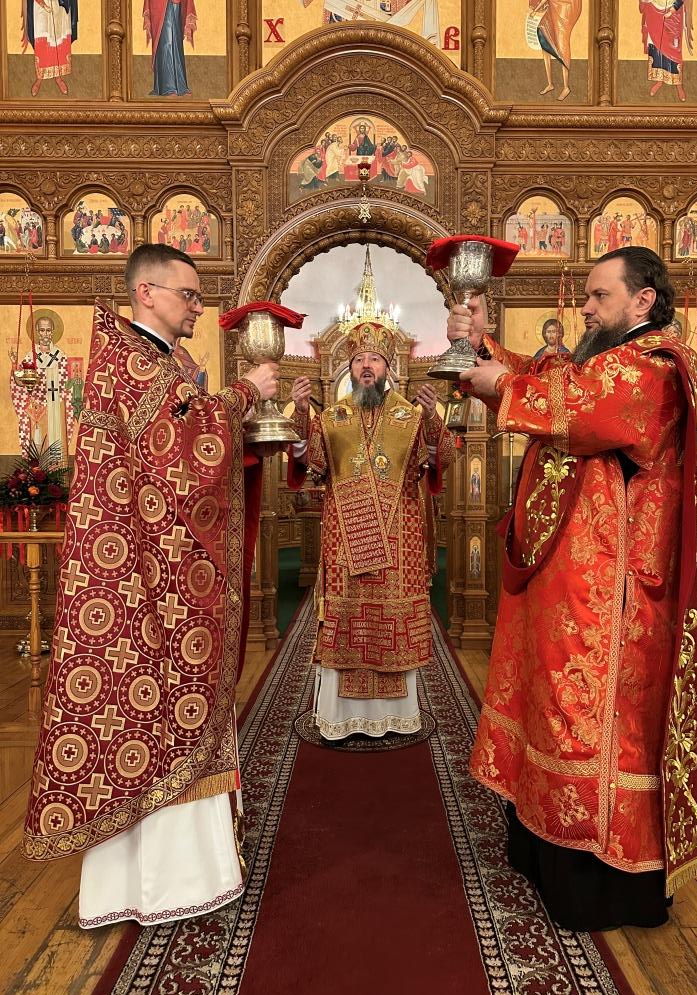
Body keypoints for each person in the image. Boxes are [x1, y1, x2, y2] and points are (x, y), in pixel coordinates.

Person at [24, 243, 281, 929]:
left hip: (153, 564)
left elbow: (183, 447)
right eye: (188, 295)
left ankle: (163, 879)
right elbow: (187, 449)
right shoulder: (136, 360)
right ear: (146, 292)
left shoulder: (153, 360)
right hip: (148, 578)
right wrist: (248, 392)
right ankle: (169, 884)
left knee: (152, 712)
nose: (197, 308)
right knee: (155, 710)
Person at [451, 246, 697, 930]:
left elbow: (586, 410)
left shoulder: (653, 367)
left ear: (643, 299)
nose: (586, 309)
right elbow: (554, 377)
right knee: (550, 701)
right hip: (569, 578)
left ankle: (598, 878)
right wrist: (483, 345)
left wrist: (501, 386)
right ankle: (540, 845)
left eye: (599, 296)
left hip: (613, 590)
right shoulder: (607, 358)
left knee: (589, 719)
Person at [288, 321, 455, 742]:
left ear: (388, 368)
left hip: (400, 543)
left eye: (375, 359)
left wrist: (432, 419)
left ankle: (396, 716)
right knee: (346, 616)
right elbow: (309, 463)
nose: (367, 366)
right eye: (359, 359)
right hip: (345, 540)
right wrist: (302, 412)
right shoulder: (332, 417)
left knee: (391, 620)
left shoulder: (409, 416)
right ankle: (340, 718)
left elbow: (441, 461)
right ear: (349, 367)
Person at [10, 312, 74, 455]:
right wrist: (14, 364)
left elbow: (66, 385)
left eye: (48, 330)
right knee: (37, 441)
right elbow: (20, 383)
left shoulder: (60, 356)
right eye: (42, 330)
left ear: (52, 332)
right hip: (37, 408)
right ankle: (37, 467)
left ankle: (57, 467)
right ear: (37, 332)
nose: (45, 334)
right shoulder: (30, 356)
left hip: (56, 406)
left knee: (56, 441)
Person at [528, 0, 582, 101]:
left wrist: (535, 10)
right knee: (543, 32)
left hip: (564, 8)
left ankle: (566, 87)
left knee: (562, 45)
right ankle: (550, 84)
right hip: (553, 6)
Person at [21, 0, 77, 97]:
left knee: (59, 39)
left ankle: (58, 75)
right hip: (40, 4)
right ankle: (40, 77)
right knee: (42, 39)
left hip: (60, 4)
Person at [640, 0, 693, 102]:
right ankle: (659, 80)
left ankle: (678, 84)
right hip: (653, 10)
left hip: (673, 13)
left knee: (674, 49)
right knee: (656, 47)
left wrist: (673, 9)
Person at [143, 0, 197, 97]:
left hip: (175, 4)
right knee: (166, 40)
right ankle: (168, 87)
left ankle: (180, 86)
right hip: (158, 4)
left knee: (175, 41)